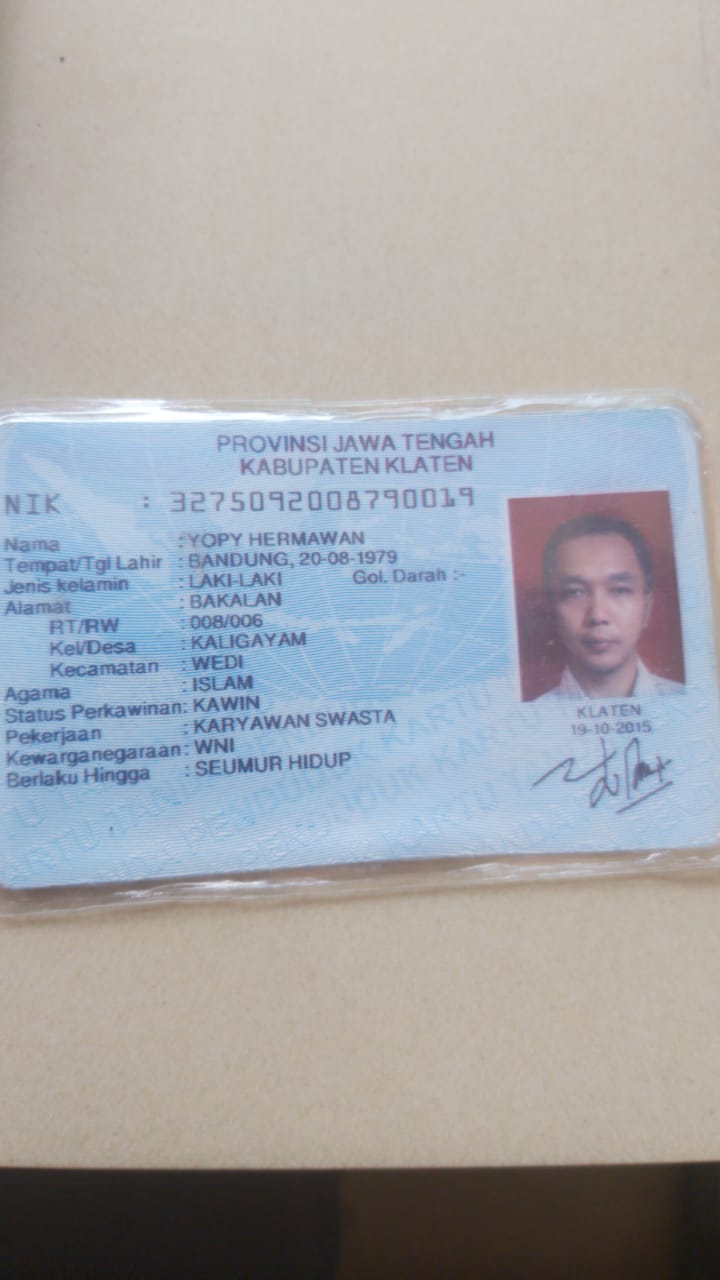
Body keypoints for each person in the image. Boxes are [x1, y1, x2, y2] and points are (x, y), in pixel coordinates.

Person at [533, 512, 683, 700]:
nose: (598, 616)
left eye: (620, 590)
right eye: (575, 592)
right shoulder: (527, 716)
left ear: (646, 608)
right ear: (552, 611)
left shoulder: (692, 705)